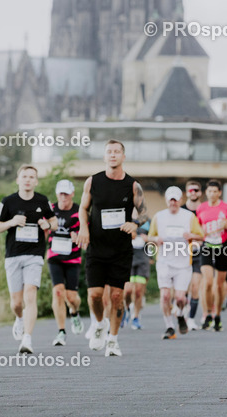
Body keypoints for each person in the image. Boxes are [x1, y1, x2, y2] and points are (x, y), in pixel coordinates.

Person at [78, 140, 148, 357]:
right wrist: (83, 228)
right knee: (94, 296)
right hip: (97, 247)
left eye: (117, 152)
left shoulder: (133, 185)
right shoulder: (93, 182)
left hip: (121, 249)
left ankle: (113, 341)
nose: (113, 155)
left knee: (117, 296)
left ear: (123, 157)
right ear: (104, 156)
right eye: (109, 152)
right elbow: (83, 207)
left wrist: (135, 223)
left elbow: (144, 213)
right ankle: (99, 324)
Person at [0, 165, 56, 354]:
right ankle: (19, 318)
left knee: (30, 294)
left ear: (36, 181)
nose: (28, 179)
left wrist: (48, 224)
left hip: (34, 255)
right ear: (18, 180)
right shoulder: (8, 202)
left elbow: (54, 222)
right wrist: (12, 222)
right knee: (16, 303)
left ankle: (27, 339)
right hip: (13, 255)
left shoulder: (42, 201)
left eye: (31, 177)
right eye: (24, 176)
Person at [148, 187, 204, 339]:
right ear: (166, 201)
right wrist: (155, 239)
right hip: (164, 261)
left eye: (175, 199)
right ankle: (169, 327)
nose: (173, 202)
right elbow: (149, 237)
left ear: (180, 200)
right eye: (170, 200)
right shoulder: (159, 217)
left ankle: (179, 314)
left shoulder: (189, 217)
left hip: (184, 263)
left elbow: (201, 236)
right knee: (165, 295)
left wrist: (190, 235)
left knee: (180, 298)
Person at [195, 180, 227, 332]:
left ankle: (218, 316)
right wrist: (200, 232)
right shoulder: (201, 208)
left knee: (219, 285)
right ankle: (207, 313)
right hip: (207, 247)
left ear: (219, 193)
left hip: (222, 246)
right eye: (209, 191)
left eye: (215, 191)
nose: (212, 194)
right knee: (208, 282)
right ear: (206, 193)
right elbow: (198, 226)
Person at [48, 179, 83, 345]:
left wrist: (78, 236)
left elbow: (86, 232)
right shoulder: (51, 209)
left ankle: (74, 312)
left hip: (73, 257)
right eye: (61, 194)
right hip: (54, 255)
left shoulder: (79, 211)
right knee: (58, 292)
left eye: (66, 194)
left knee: (71, 297)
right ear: (57, 194)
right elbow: (44, 227)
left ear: (72, 194)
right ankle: (61, 331)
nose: (64, 197)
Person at [182, 180, 205, 329]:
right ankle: (181, 314)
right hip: (182, 253)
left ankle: (191, 319)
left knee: (195, 287)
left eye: (196, 190)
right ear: (186, 192)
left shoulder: (204, 210)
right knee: (182, 288)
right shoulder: (182, 211)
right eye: (191, 190)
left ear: (200, 192)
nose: (193, 193)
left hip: (200, 253)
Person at [124, 221, 152, 330]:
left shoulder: (147, 222)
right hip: (128, 259)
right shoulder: (126, 217)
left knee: (139, 291)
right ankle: (126, 309)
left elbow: (153, 237)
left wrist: (148, 239)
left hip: (142, 260)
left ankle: (136, 317)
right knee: (128, 291)